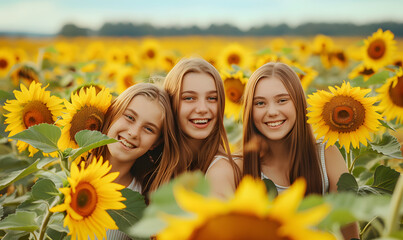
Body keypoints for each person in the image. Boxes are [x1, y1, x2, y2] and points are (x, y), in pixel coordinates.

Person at [242, 62, 359, 239]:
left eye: (282, 100)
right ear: (249, 110)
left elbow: (348, 227)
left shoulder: (325, 155)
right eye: (260, 103)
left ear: (298, 103)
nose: (272, 111)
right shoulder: (240, 164)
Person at [89, 83, 184, 239]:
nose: (133, 133)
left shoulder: (141, 203)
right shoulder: (71, 166)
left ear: (155, 143)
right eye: (130, 117)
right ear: (114, 112)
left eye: (149, 129)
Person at [163, 57, 241, 199]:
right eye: (189, 98)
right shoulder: (156, 158)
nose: (202, 109)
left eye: (212, 98)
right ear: (170, 101)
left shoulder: (219, 173)